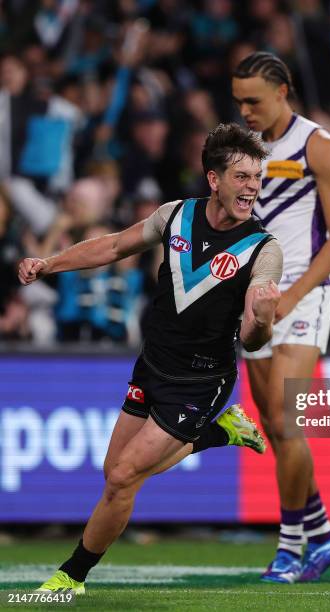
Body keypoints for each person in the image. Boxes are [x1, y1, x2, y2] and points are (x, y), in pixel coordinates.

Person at [19, 123, 283, 594]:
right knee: (113, 473)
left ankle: (71, 576)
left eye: (258, 177)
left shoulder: (263, 249)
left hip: (202, 382)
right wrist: (50, 263)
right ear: (214, 179)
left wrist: (262, 319)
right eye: (242, 176)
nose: (252, 187)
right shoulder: (174, 215)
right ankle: (223, 432)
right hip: (152, 365)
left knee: (122, 479)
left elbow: (255, 338)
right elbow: (116, 245)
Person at [231, 52, 330, 583]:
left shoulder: (318, 146)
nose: (245, 110)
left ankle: (291, 547)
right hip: (254, 297)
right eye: (238, 101)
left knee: (286, 419)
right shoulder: (243, 147)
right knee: (277, 429)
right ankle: (324, 533)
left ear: (283, 90)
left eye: (254, 100)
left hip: (305, 291)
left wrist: (293, 292)